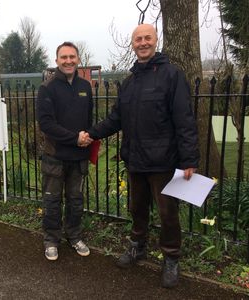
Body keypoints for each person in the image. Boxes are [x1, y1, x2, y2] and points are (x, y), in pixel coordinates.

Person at [86, 24, 199, 288]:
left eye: (147, 38)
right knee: (137, 209)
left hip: (163, 162)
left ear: (155, 40)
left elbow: (184, 119)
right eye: (138, 39)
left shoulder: (172, 75)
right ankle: (138, 246)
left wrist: (189, 159)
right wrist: (91, 134)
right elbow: (116, 119)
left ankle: (171, 257)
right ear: (133, 44)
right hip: (135, 160)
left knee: (167, 213)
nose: (143, 42)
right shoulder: (129, 82)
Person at [36, 41, 93, 261]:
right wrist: (75, 138)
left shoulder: (85, 87)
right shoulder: (47, 88)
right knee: (52, 200)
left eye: (72, 57)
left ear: (77, 59)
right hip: (55, 157)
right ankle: (51, 239)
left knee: (75, 199)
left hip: (78, 158)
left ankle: (74, 235)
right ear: (57, 60)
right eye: (64, 57)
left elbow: (88, 119)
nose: (68, 61)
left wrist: (87, 137)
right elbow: (46, 124)